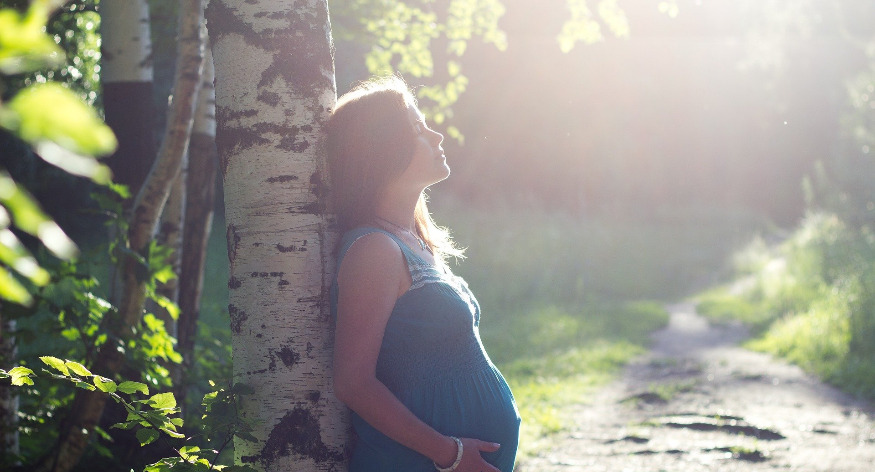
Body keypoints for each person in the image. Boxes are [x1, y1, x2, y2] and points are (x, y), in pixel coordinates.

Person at [326, 75, 521, 472]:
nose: (437, 136)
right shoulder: (374, 250)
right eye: (418, 129)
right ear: (382, 149)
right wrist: (449, 454)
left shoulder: (412, 240)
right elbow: (353, 382)